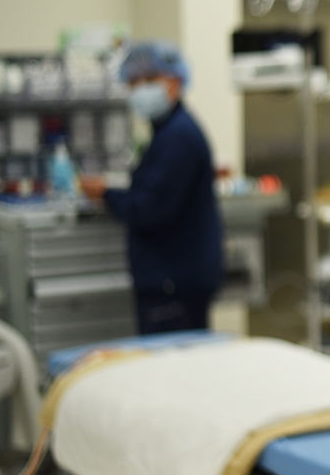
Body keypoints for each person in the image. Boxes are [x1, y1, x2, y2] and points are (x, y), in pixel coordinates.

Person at [80, 41, 223, 335]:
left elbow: (150, 210)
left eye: (150, 80)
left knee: (173, 370)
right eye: (134, 82)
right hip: (173, 280)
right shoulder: (169, 132)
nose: (141, 89)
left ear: (176, 82)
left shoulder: (179, 137)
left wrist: (106, 193)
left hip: (174, 284)